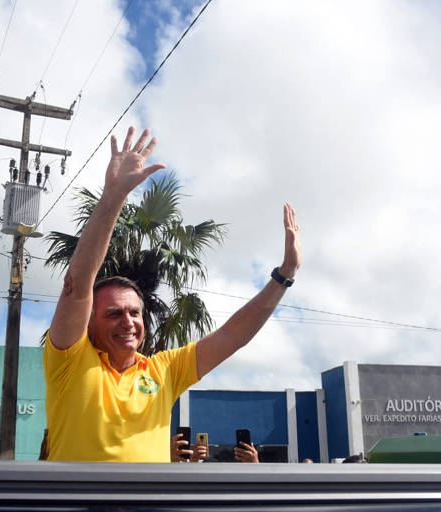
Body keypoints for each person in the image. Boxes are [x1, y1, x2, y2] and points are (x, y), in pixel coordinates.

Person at [42, 127, 302, 462]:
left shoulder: (164, 369)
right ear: (88, 324)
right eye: (114, 313)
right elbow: (77, 286)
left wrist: (284, 276)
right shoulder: (69, 360)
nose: (129, 321)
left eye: (135, 312)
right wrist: (114, 197)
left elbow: (233, 335)